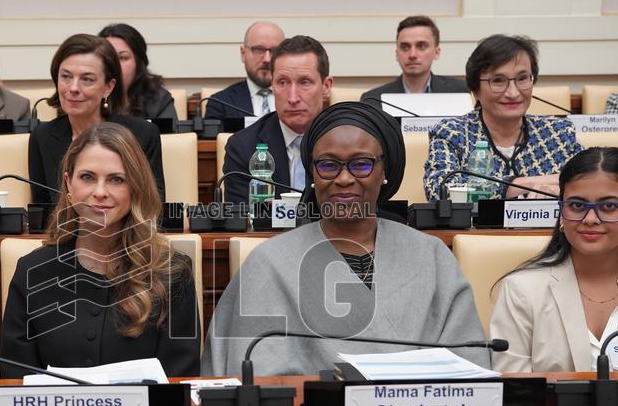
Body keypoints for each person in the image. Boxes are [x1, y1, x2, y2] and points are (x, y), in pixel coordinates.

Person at [203, 102, 489, 377]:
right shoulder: (269, 262)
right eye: (328, 165)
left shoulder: (432, 256)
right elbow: (254, 375)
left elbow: (468, 364)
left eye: (361, 165)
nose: (343, 179)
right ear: (313, 174)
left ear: (384, 172)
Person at [2, 123, 200, 378]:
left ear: (135, 189)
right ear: (68, 186)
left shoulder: (172, 272)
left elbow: (181, 380)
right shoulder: (32, 271)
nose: (100, 192)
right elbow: (15, 380)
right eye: (87, 177)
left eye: (116, 180)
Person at [490, 147, 618, 373]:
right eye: (577, 205)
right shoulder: (522, 290)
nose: (590, 219)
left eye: (608, 206)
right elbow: (514, 392)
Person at [424, 34, 582, 202]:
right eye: (498, 81)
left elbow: (590, 183)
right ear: (475, 90)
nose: (513, 93)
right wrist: (523, 184)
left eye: (522, 79)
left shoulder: (557, 132)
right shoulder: (452, 133)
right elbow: (439, 191)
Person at [28, 34, 165, 205]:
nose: (74, 88)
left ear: (108, 87)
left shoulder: (142, 135)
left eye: (87, 79)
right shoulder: (42, 136)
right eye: (66, 76)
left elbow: (151, 207)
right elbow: (42, 212)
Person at [221, 35, 332, 204]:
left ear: (326, 87)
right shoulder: (243, 147)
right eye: (282, 82)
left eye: (304, 82)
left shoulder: (349, 143)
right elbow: (243, 224)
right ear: (272, 86)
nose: (293, 97)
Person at [360, 15, 468, 102]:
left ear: (436, 52)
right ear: (397, 54)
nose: (412, 54)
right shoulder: (374, 100)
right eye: (405, 47)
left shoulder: (461, 92)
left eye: (421, 46)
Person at [205, 21, 286, 120]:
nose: (267, 59)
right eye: (259, 49)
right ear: (243, 53)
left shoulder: (298, 99)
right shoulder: (221, 103)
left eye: (275, 51)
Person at [98, 23, 178, 121]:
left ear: (139, 62)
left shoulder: (158, 99)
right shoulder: (89, 95)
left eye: (123, 58)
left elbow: (169, 136)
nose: (115, 64)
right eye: (109, 57)